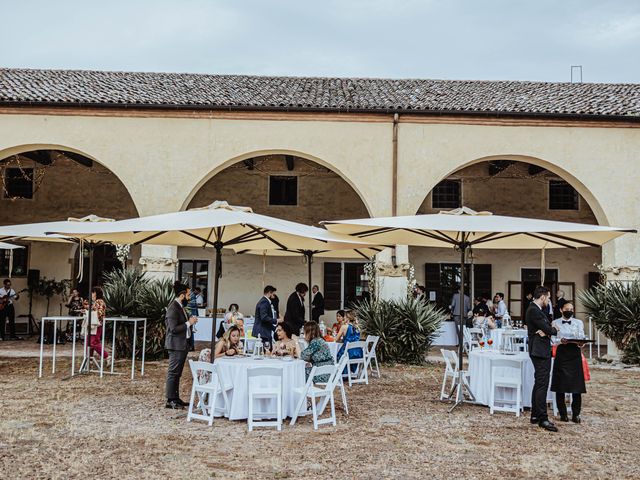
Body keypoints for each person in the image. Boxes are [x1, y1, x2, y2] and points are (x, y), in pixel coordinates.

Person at [526, 285, 558, 432]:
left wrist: (547, 329)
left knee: (539, 382)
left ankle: (534, 415)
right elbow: (550, 329)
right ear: (543, 297)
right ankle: (542, 418)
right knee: (542, 383)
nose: (549, 301)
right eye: (549, 298)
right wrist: (551, 329)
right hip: (539, 350)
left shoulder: (536, 310)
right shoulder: (534, 310)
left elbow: (547, 328)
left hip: (538, 349)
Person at [164, 282, 198, 409]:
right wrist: (189, 323)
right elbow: (173, 329)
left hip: (182, 345)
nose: (189, 298)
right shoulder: (173, 308)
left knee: (177, 373)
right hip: (176, 345)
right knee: (173, 373)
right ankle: (170, 399)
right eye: (188, 295)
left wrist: (190, 322)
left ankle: (175, 397)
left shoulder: (180, 307)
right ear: (182, 295)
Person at [551, 302, 586, 423]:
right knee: (560, 385)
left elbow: (582, 336)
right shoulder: (555, 322)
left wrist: (582, 342)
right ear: (561, 310)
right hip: (562, 354)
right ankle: (563, 414)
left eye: (571, 309)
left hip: (575, 354)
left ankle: (576, 414)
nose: (569, 311)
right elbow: (552, 340)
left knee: (577, 386)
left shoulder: (578, 322)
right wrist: (560, 340)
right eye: (567, 309)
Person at [83, 287, 111, 365]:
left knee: (92, 342)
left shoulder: (99, 301)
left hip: (96, 324)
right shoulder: (97, 302)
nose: (91, 294)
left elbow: (99, 313)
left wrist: (88, 311)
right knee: (90, 342)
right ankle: (89, 359)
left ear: (96, 293)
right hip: (95, 324)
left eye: (93, 292)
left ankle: (106, 356)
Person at [252, 285, 280, 350]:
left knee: (267, 350)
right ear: (269, 293)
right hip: (263, 332)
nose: (274, 296)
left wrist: (275, 328)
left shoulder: (264, 301)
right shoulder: (264, 302)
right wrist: (276, 320)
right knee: (267, 350)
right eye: (273, 294)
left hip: (264, 331)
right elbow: (264, 317)